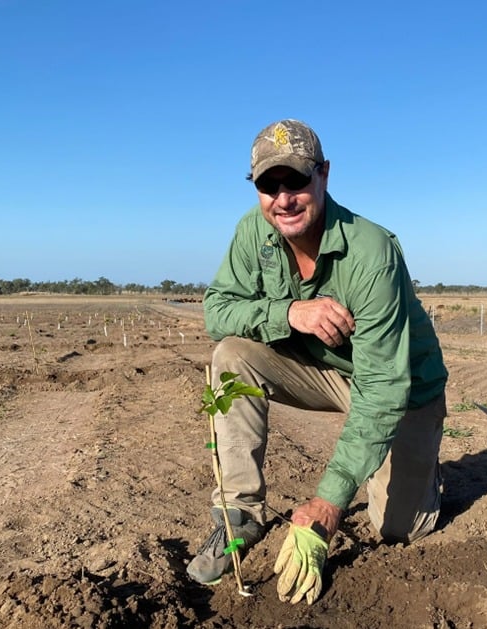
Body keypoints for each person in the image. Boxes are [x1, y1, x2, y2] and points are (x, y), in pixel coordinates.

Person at [186, 119, 448, 605]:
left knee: (399, 530)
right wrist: (289, 312)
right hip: (325, 372)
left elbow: (383, 387)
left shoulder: (372, 254)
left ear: (324, 174)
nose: (283, 199)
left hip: (402, 387)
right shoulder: (253, 233)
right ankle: (238, 517)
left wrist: (328, 503)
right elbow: (216, 311)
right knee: (232, 356)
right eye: (268, 186)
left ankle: (422, 473)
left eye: (296, 181)